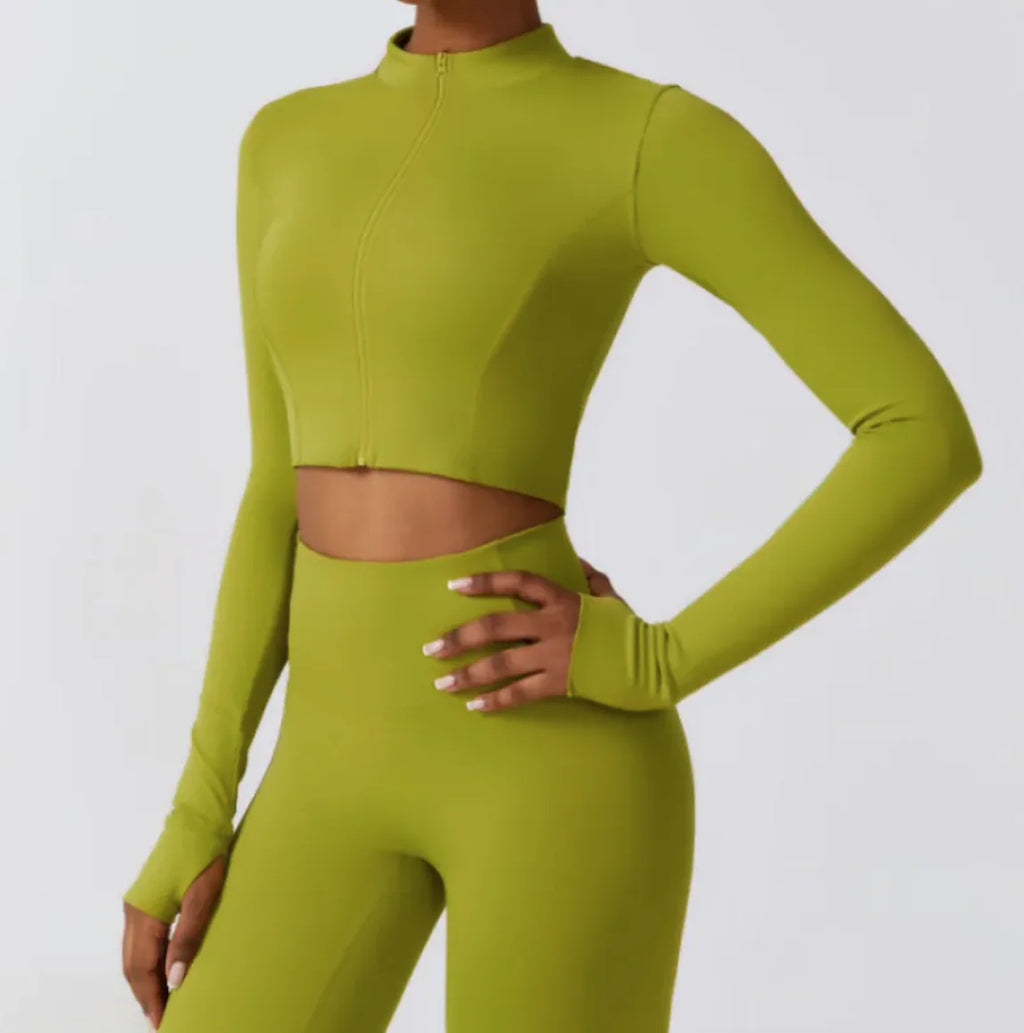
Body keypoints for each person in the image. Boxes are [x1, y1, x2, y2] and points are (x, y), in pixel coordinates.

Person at [120, 1, 983, 1030]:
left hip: (549, 764)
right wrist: (197, 809)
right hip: (323, 761)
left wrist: (658, 658)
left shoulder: (644, 137)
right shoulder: (285, 140)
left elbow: (921, 432)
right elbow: (276, 491)